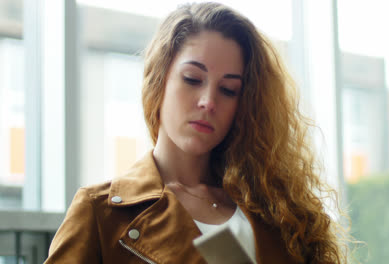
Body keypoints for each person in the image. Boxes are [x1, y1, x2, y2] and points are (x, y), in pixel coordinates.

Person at [45, 2, 350, 264]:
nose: (208, 102)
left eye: (229, 90)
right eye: (192, 79)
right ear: (159, 80)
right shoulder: (100, 213)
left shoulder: (278, 215)